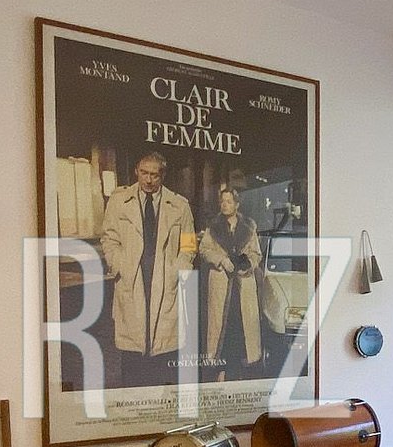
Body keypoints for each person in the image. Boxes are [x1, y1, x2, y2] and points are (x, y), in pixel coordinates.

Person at [99, 152, 194, 385]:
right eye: (144, 173)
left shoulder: (180, 206)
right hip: (132, 280)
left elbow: (189, 245)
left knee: (164, 354)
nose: (148, 180)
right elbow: (109, 239)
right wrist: (119, 265)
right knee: (133, 354)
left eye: (154, 175)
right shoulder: (119, 201)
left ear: (163, 175)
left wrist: (176, 272)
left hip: (165, 282)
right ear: (136, 171)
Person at [198, 187, 270, 381]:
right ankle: (221, 370)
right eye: (222, 201)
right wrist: (221, 260)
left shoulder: (249, 226)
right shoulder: (213, 226)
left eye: (229, 201)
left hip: (243, 285)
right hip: (221, 283)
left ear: (237, 204)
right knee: (222, 326)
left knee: (241, 325)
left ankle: (239, 370)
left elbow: (256, 253)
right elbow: (204, 250)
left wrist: (248, 264)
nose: (225, 205)